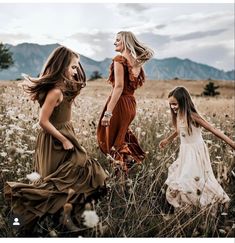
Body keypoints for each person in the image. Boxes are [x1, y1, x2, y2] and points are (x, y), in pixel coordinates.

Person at [4, 46, 108, 231]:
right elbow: (43, 121)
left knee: (74, 175)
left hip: (65, 136)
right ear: (61, 66)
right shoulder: (55, 92)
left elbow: (75, 83)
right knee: (54, 185)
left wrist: (77, 72)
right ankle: (17, 221)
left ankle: (64, 220)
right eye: (73, 67)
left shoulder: (64, 88)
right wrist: (64, 139)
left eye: (77, 67)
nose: (75, 71)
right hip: (55, 141)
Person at [159, 86, 234, 210]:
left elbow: (213, 129)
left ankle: (219, 200)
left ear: (183, 101)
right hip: (185, 152)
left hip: (195, 152)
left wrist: (231, 143)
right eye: (171, 105)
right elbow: (179, 130)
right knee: (188, 178)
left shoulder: (193, 116)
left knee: (187, 179)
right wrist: (168, 139)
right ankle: (190, 207)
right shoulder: (178, 115)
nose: (173, 107)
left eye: (175, 104)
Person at [97, 31, 153, 174]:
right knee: (121, 138)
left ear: (126, 43)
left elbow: (119, 87)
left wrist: (108, 113)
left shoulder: (119, 60)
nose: (114, 43)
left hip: (120, 104)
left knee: (113, 142)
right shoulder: (137, 63)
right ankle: (127, 173)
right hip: (131, 104)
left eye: (117, 40)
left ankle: (120, 181)